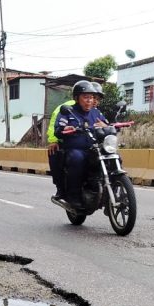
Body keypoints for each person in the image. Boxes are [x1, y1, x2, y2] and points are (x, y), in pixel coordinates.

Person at [54, 80, 108, 211]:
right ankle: (74, 197)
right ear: (76, 98)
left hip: (94, 148)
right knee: (77, 158)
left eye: (91, 97)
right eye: (85, 97)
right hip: (76, 149)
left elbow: (107, 125)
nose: (89, 100)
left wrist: (106, 126)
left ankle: (114, 193)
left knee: (113, 156)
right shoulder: (68, 112)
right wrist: (65, 128)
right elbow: (58, 130)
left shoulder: (96, 113)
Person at [46, 98, 75, 197]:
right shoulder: (66, 107)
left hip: (90, 142)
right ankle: (60, 187)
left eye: (96, 98)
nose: (93, 100)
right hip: (67, 141)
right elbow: (54, 125)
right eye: (86, 96)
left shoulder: (95, 110)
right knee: (54, 153)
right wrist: (53, 140)